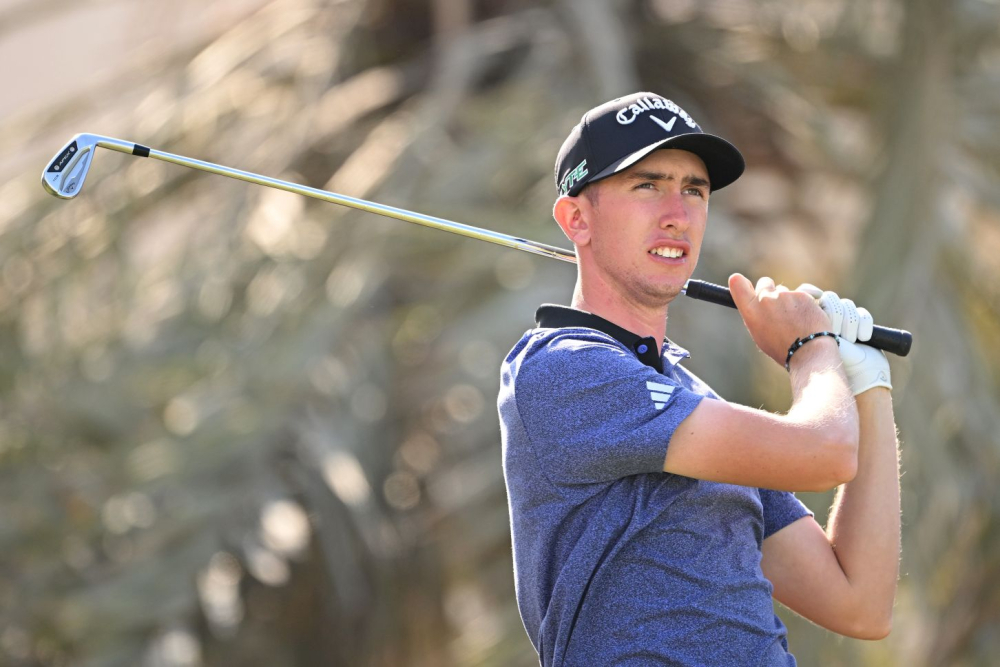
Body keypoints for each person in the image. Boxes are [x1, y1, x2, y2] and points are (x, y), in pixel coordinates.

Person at [498, 92, 901, 666]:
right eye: (647, 185)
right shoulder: (562, 368)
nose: (678, 214)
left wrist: (867, 385)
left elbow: (860, 604)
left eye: (695, 190)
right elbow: (826, 453)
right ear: (576, 219)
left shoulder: (693, 401)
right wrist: (810, 352)